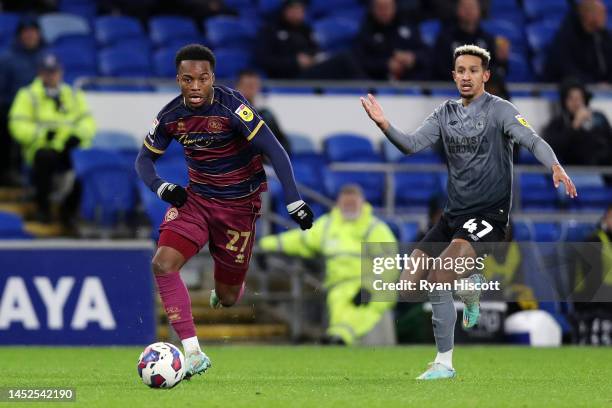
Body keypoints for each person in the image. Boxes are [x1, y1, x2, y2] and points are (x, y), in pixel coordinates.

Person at [360, 44, 577, 379]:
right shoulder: (444, 114)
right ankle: (469, 285)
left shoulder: (501, 111)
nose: (466, 76)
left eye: (473, 70)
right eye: (460, 70)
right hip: (452, 216)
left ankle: (444, 363)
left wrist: (556, 165)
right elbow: (410, 145)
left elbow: (533, 140)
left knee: (441, 273)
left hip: (489, 217)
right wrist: (384, 124)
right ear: (453, 75)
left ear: (485, 75)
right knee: (407, 287)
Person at [134, 44, 314, 378]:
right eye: (188, 79)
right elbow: (144, 160)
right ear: (178, 80)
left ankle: (228, 285)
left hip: (238, 208)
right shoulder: (171, 116)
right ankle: (193, 352)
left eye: (203, 78)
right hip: (196, 201)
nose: (196, 86)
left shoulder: (233, 107)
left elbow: (275, 150)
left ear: (212, 78)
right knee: (162, 264)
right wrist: (161, 186)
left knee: (230, 297)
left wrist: (294, 200)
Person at [259, 184, 397, 345]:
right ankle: (339, 338)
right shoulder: (327, 225)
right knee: (341, 301)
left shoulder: (375, 228)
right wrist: (265, 245)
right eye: (346, 203)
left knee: (364, 306)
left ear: (363, 203)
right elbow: (298, 240)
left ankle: (339, 337)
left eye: (353, 203)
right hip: (339, 286)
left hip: (371, 286)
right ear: (338, 203)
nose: (349, 207)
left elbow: (389, 264)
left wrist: (368, 287)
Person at [9, 53, 96, 224]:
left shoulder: (72, 94)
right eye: (47, 72)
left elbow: (88, 121)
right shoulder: (27, 94)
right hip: (41, 147)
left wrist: (77, 136)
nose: (51, 76)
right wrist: (41, 135)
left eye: (54, 71)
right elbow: (17, 125)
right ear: (40, 73)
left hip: (67, 147)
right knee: (45, 158)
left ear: (60, 72)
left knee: (83, 165)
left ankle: (68, 212)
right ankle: (43, 209)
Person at [255, 0, 364, 79]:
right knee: (344, 58)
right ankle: (368, 90)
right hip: (287, 77)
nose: (297, 13)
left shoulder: (305, 29)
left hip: (309, 71)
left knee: (343, 61)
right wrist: (295, 62)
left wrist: (312, 58)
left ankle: (362, 90)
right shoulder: (270, 31)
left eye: (300, 9)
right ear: (285, 10)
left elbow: (314, 49)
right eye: (294, 8)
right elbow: (264, 59)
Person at [0, 18, 46, 185]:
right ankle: (8, 172)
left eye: (33, 32)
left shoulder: (46, 57)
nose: (30, 36)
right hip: (12, 109)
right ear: (19, 35)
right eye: (26, 32)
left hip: (43, 110)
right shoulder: (7, 59)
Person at [354, 0, 430, 80]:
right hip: (377, 83)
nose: (384, 11)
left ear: (394, 7)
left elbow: (426, 53)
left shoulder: (408, 24)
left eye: (387, 7)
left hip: (411, 81)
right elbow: (361, 60)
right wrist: (386, 64)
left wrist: (412, 57)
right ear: (373, 9)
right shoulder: (366, 30)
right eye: (380, 8)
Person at [432, 0, 506, 81]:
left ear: (479, 11)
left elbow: (496, 71)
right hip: (451, 88)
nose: (469, 10)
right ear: (457, 10)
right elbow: (439, 69)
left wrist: (502, 60)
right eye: (465, 7)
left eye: (472, 7)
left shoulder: (487, 39)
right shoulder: (445, 38)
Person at [543, 79, 612, 166]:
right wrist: (575, 125)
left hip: (602, 169)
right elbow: (554, 148)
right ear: (564, 101)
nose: (576, 102)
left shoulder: (598, 117)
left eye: (579, 98)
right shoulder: (558, 123)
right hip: (571, 170)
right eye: (571, 98)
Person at [545, 0, 612, 84]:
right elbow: (565, 69)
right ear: (588, 15)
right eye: (601, 13)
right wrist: (593, 84)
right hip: (571, 87)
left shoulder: (603, 35)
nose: (605, 17)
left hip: (600, 89)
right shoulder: (567, 36)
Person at [235, 69, 291, 154]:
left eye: (254, 86)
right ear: (238, 86)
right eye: (248, 85)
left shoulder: (266, 115)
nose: (251, 89)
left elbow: (283, 143)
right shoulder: (227, 113)